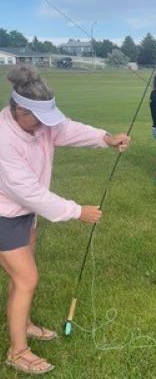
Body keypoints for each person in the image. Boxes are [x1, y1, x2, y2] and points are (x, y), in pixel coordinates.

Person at [0, 65, 130, 375]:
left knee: (21, 279)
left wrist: (106, 138)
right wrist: (77, 211)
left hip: (21, 213)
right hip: (3, 214)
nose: (45, 126)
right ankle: (17, 352)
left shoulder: (38, 123)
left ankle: (25, 324)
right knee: (27, 278)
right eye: (38, 120)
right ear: (19, 110)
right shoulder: (3, 138)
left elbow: (67, 129)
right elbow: (27, 192)